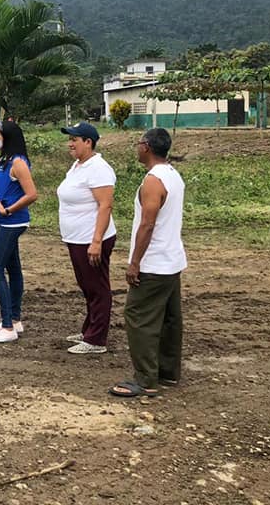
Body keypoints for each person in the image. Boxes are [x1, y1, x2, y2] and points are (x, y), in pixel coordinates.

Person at [110, 128, 187, 398]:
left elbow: (147, 224)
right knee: (169, 319)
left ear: (146, 147)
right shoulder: (173, 174)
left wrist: (135, 263)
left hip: (154, 264)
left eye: (138, 143)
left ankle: (145, 379)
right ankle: (168, 373)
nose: (136, 147)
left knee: (138, 317)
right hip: (172, 260)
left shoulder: (153, 181)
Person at [57, 122, 116, 354]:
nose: (70, 144)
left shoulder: (98, 168)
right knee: (87, 285)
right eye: (69, 139)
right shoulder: (78, 165)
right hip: (77, 238)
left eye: (74, 140)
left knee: (97, 287)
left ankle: (96, 340)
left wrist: (96, 241)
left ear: (88, 142)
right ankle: (89, 329)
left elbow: (105, 205)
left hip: (91, 238)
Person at [0, 121, 38, 343]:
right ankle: (15, 319)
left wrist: (9, 210)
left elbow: (32, 194)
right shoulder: (4, 160)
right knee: (13, 268)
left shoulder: (18, 162)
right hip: (3, 221)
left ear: (8, 137)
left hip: (12, 222)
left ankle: (8, 326)